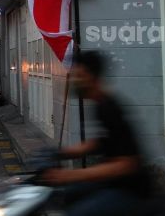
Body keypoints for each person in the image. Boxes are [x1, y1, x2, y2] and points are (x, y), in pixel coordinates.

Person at [43, 51, 151, 216]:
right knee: (66, 196)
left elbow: (127, 164)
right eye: (74, 76)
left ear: (93, 77)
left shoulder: (110, 108)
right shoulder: (99, 104)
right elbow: (100, 142)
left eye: (79, 76)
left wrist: (71, 175)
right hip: (111, 184)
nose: (75, 81)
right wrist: (61, 153)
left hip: (130, 190)